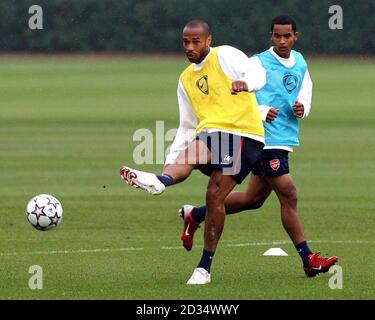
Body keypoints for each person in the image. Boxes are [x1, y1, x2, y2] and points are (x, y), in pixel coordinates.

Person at [178, 15, 338, 278]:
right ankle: (308, 258)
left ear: (296, 37)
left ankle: (196, 215)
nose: (282, 40)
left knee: (254, 199)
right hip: (261, 137)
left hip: (284, 137)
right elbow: (242, 94)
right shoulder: (257, 62)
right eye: (277, 35)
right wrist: (262, 110)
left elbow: (305, 90)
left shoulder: (300, 62)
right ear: (270, 36)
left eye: (287, 36)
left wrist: (303, 107)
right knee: (288, 193)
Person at [120, 20, 267, 284]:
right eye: (185, 42)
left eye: (195, 41)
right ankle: (160, 181)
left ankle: (204, 268)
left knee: (214, 195)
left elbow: (256, 70)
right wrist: (170, 162)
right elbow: (187, 125)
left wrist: (248, 84)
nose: (190, 46)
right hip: (212, 133)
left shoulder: (225, 55)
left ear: (208, 40)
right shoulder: (186, 78)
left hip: (244, 133)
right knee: (193, 152)